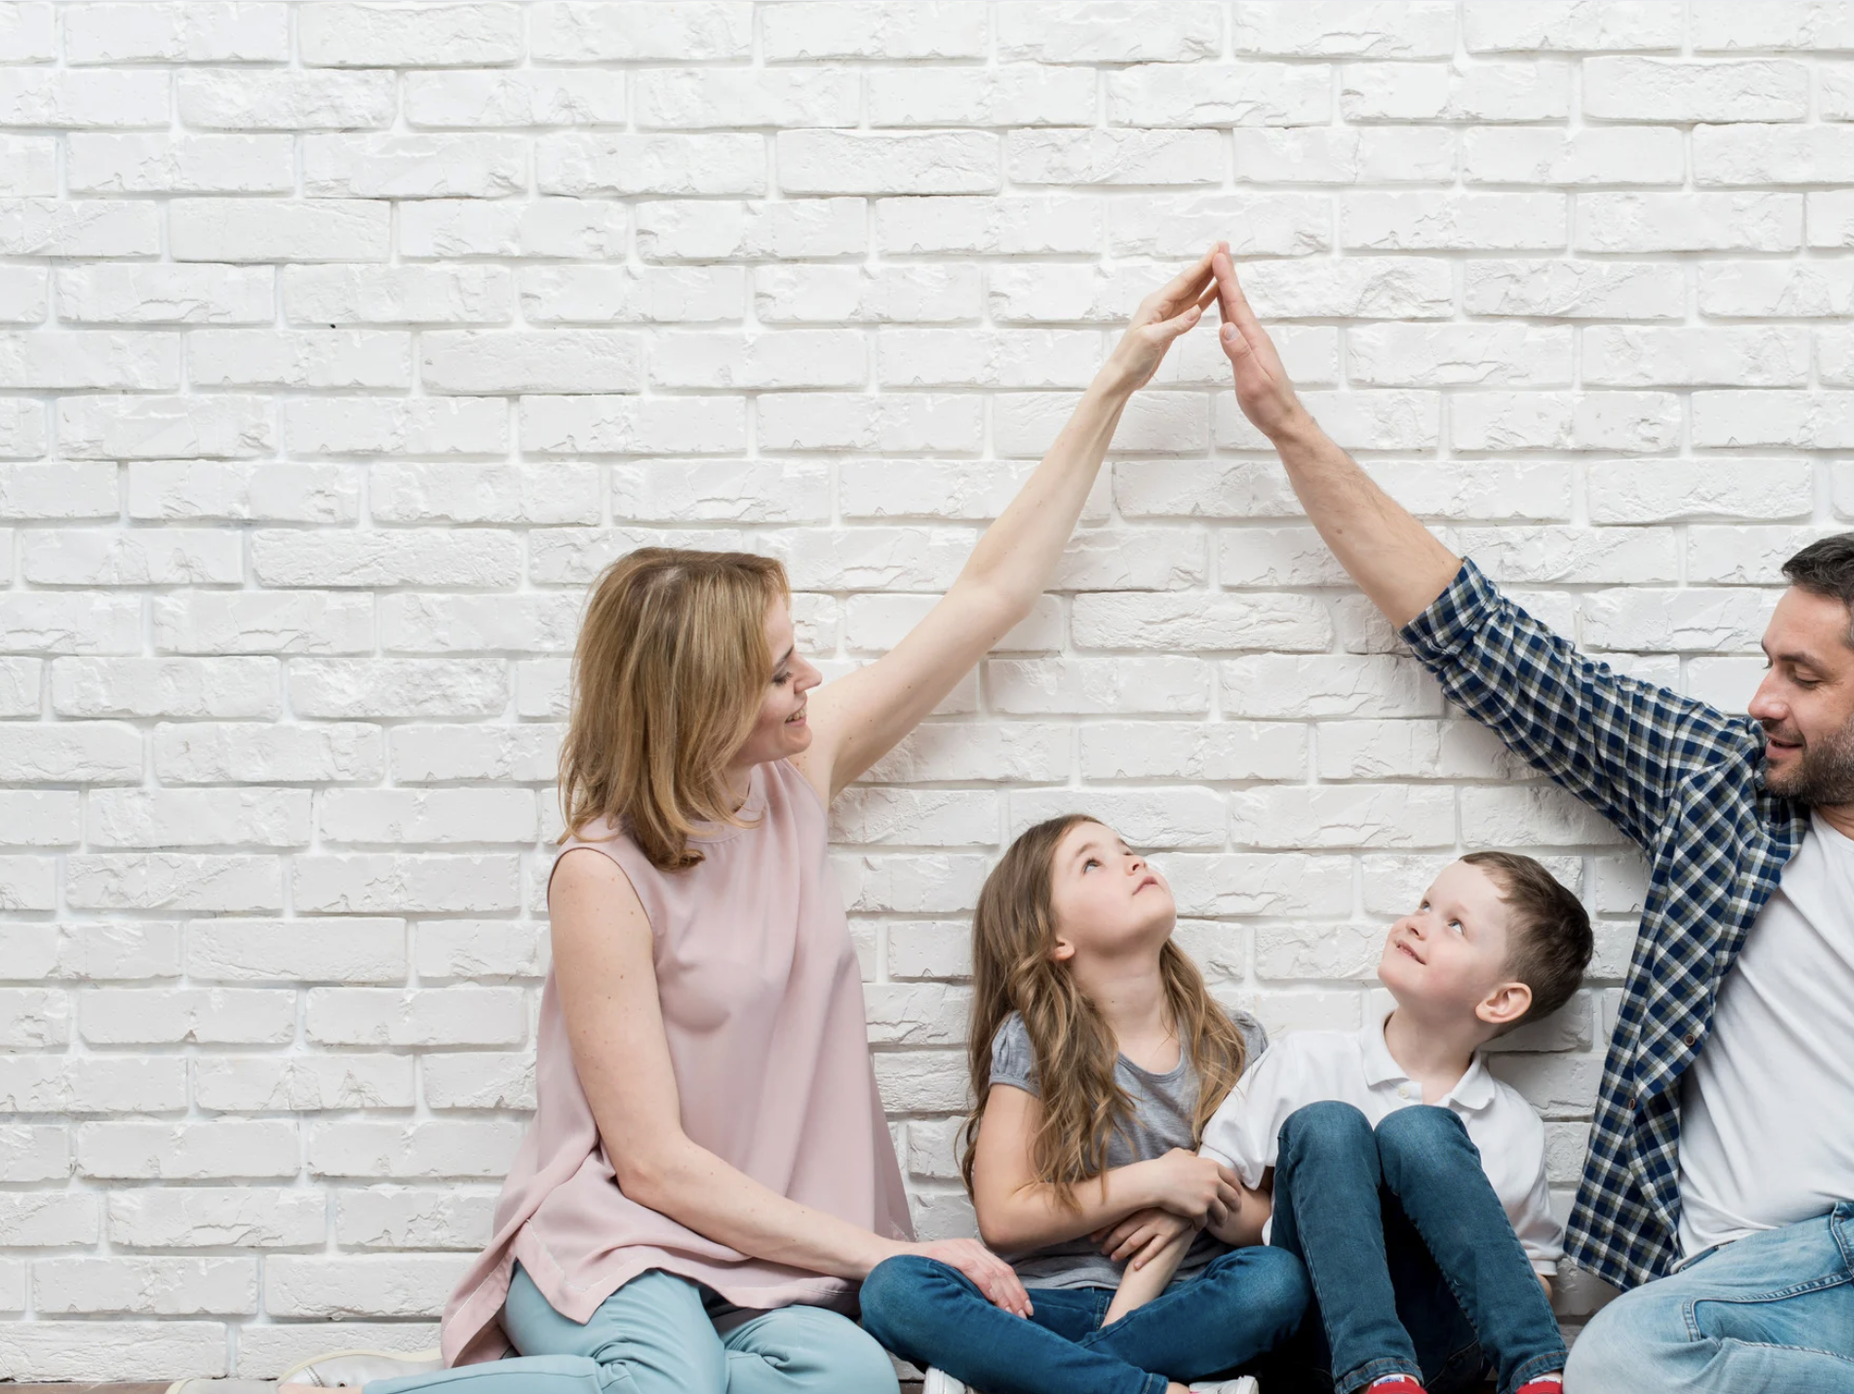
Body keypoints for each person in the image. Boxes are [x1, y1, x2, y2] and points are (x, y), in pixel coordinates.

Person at [1205, 248, 1854, 1394]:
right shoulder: (1713, 777)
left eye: (1800, 675)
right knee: (1616, 1360)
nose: (1761, 700)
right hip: (1744, 1282)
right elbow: (1485, 639)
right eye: (1764, 665)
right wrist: (1287, 424)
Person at [276, 251, 1229, 1394]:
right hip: (623, 1243)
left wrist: (1118, 377)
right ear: (700, 696)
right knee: (671, 1386)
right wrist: (894, 1250)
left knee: (859, 1385)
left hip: (780, 1260)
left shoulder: (798, 769)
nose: (810, 678)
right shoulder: (600, 875)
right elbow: (657, 1165)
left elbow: (987, 598)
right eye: (781, 669)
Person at [858, 815, 1310, 1394]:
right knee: (893, 1287)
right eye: (1093, 863)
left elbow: (1264, 1225)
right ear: (1055, 939)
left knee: (1276, 1280)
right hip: (1043, 1309)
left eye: (1128, 850)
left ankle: (1048, 1382)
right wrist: (1156, 1179)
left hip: (1182, 1309)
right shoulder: (1032, 1041)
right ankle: (1137, 1388)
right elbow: (1002, 1217)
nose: (1134, 862)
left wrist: (1200, 1194)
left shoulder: (1236, 1042)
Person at [1188, 852, 1593, 1394]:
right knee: (1329, 1125)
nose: (1417, 921)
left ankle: (1538, 1372)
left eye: (1455, 924)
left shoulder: (1512, 1125)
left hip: (1440, 1352)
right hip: (1315, 1346)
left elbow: (1536, 1275)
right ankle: (1379, 1375)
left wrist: (1453, 1241)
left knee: (1419, 1133)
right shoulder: (1306, 1060)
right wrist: (1311, 1218)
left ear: (1500, 1000)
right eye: (1425, 903)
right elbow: (1212, 1186)